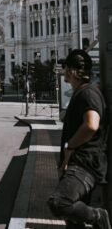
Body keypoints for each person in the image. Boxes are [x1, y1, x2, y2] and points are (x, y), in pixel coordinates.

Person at [47, 49, 111, 229]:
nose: (63, 71)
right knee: (74, 222)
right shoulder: (84, 92)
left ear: (73, 71)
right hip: (81, 163)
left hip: (84, 165)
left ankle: (98, 216)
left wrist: (70, 147)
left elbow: (91, 125)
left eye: (65, 67)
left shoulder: (87, 93)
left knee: (59, 202)